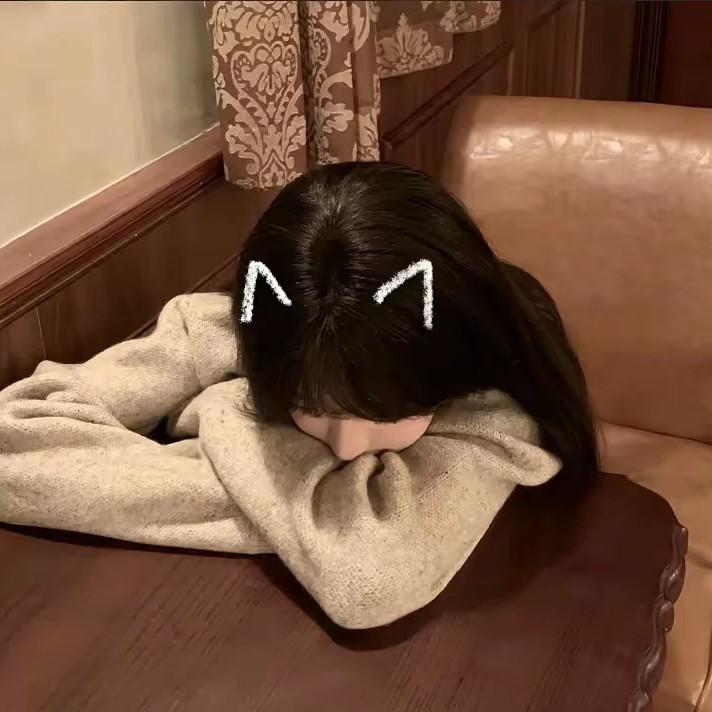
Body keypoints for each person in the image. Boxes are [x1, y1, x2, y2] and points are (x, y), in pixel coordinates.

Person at [0, 162, 597, 629]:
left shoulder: (491, 399)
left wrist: (226, 415)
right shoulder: (243, 328)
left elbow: (370, 576)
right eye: (311, 409)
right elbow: (11, 445)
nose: (346, 446)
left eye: (386, 414)